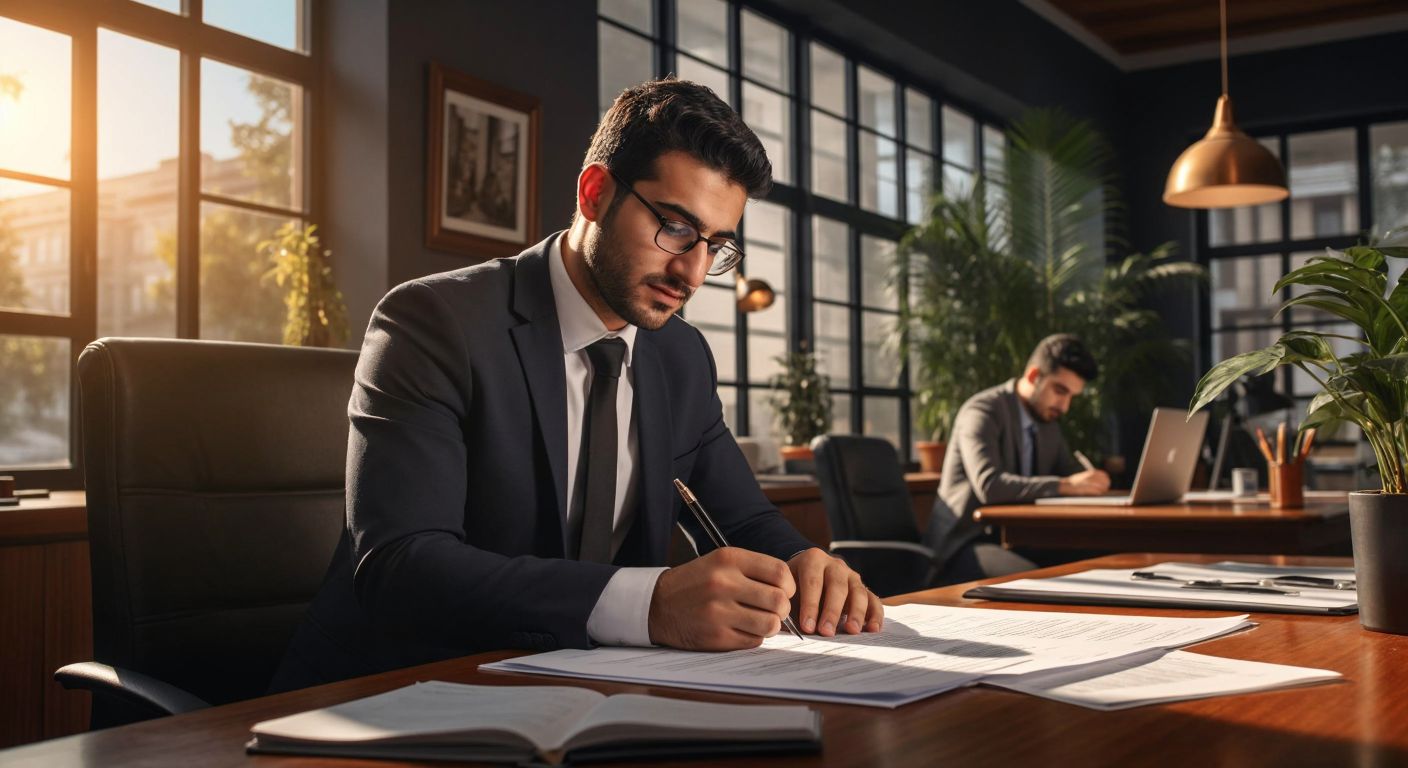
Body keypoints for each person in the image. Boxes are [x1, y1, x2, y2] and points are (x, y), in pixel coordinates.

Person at [270, 78, 881, 691]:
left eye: (715, 246)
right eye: (675, 227)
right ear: (595, 193)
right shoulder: (433, 322)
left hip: (587, 691)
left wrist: (805, 564)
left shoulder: (681, 356)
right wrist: (650, 604)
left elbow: (742, 519)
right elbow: (402, 565)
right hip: (397, 690)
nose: (692, 272)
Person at [931, 334, 1110, 580]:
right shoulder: (982, 411)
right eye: (1060, 391)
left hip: (1017, 538)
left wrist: (1090, 480)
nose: (1065, 406)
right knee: (1037, 580)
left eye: (1071, 396)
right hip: (965, 542)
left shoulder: (1048, 422)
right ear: (1034, 376)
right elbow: (990, 486)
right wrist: (1067, 485)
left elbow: (1068, 471)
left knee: (1095, 561)